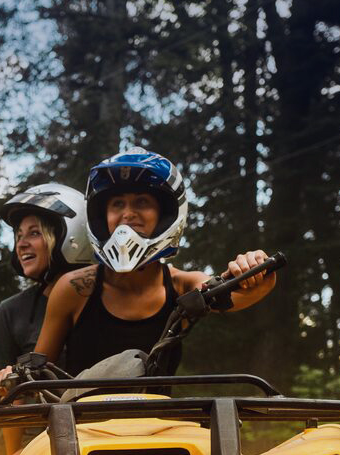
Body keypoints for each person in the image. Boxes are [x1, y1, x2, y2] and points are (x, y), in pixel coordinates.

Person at [32, 150, 276, 376]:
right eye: (117, 204)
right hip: (80, 422)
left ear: (165, 215)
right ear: (100, 216)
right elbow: (34, 377)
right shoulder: (74, 288)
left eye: (141, 202)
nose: (128, 213)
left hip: (158, 421)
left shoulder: (182, 286)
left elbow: (237, 293)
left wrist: (251, 268)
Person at [0, 182, 94, 453]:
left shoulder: (109, 297)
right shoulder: (10, 312)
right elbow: (11, 402)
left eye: (34, 233)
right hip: (44, 445)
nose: (21, 242)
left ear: (71, 235)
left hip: (113, 432)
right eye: (18, 234)